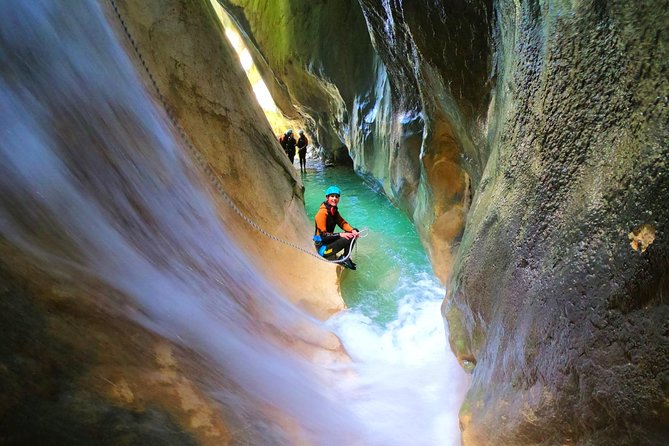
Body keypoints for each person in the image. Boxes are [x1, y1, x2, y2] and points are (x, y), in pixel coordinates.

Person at [313, 185, 359, 270]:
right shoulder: (322, 213)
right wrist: (340, 234)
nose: (334, 198)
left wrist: (353, 230)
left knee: (352, 234)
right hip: (322, 248)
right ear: (327, 197)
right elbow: (324, 236)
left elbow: (342, 223)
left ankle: (345, 257)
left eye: (336, 196)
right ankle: (344, 259)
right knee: (346, 237)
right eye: (332, 196)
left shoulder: (333, 211)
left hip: (329, 242)